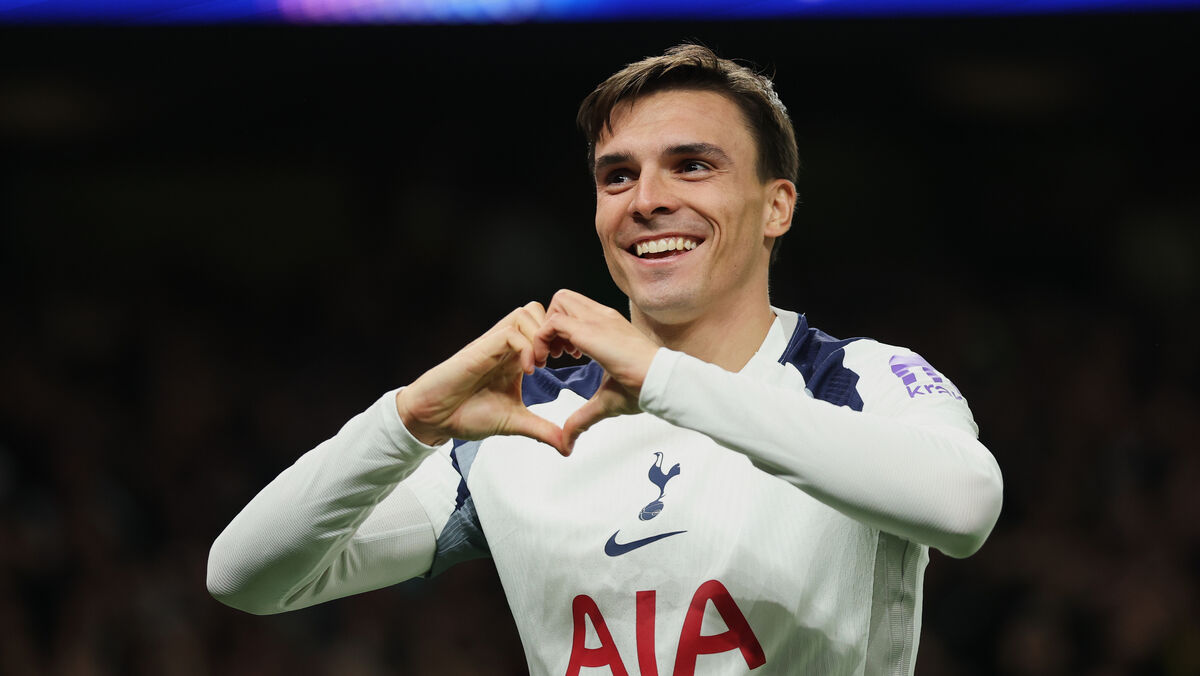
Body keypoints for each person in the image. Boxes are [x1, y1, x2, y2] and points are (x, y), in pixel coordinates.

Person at [208, 44, 1003, 675]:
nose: (646, 199)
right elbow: (245, 576)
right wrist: (407, 419)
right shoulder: (525, 423)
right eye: (617, 176)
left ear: (776, 206)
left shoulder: (859, 381)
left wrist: (663, 380)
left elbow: (965, 508)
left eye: (692, 165)